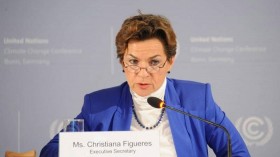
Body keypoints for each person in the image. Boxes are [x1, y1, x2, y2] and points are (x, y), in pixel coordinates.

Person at [40, 13, 250, 157]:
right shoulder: (98, 105)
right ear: (122, 61)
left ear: (170, 61)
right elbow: (52, 150)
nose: (142, 73)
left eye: (154, 62)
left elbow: (237, 151)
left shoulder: (197, 99)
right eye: (133, 62)